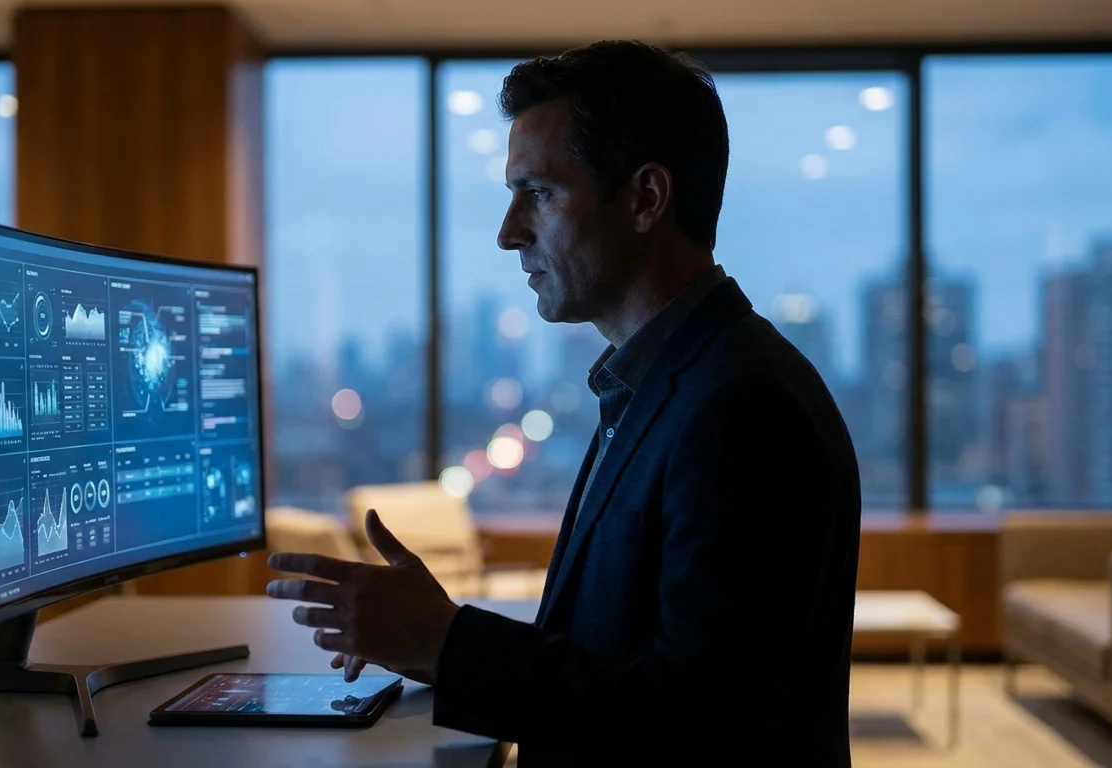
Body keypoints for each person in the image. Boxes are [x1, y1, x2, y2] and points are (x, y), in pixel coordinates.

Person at [267, 39, 862, 766]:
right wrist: (434, 645)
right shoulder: (662, 383)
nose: (508, 231)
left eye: (539, 193)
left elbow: (701, 721)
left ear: (646, 198)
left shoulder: (744, 407)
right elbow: (615, 647)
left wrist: (447, 642)